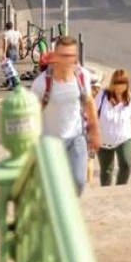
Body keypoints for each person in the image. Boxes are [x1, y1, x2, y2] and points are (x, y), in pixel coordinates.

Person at [31, 35, 101, 195]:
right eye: (64, 56)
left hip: (77, 137)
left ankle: (69, 209)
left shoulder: (82, 76)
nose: (68, 60)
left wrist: (95, 131)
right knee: (52, 187)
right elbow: (32, 114)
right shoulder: (41, 84)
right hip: (50, 141)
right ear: (55, 57)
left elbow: (89, 102)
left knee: (79, 181)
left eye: (71, 56)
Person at [96, 69, 131, 186]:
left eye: (122, 84)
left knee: (126, 164)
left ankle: (121, 187)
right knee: (106, 170)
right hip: (104, 141)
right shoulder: (102, 96)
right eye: (117, 83)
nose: (119, 87)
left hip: (124, 138)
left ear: (127, 85)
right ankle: (106, 191)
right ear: (112, 84)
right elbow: (92, 114)